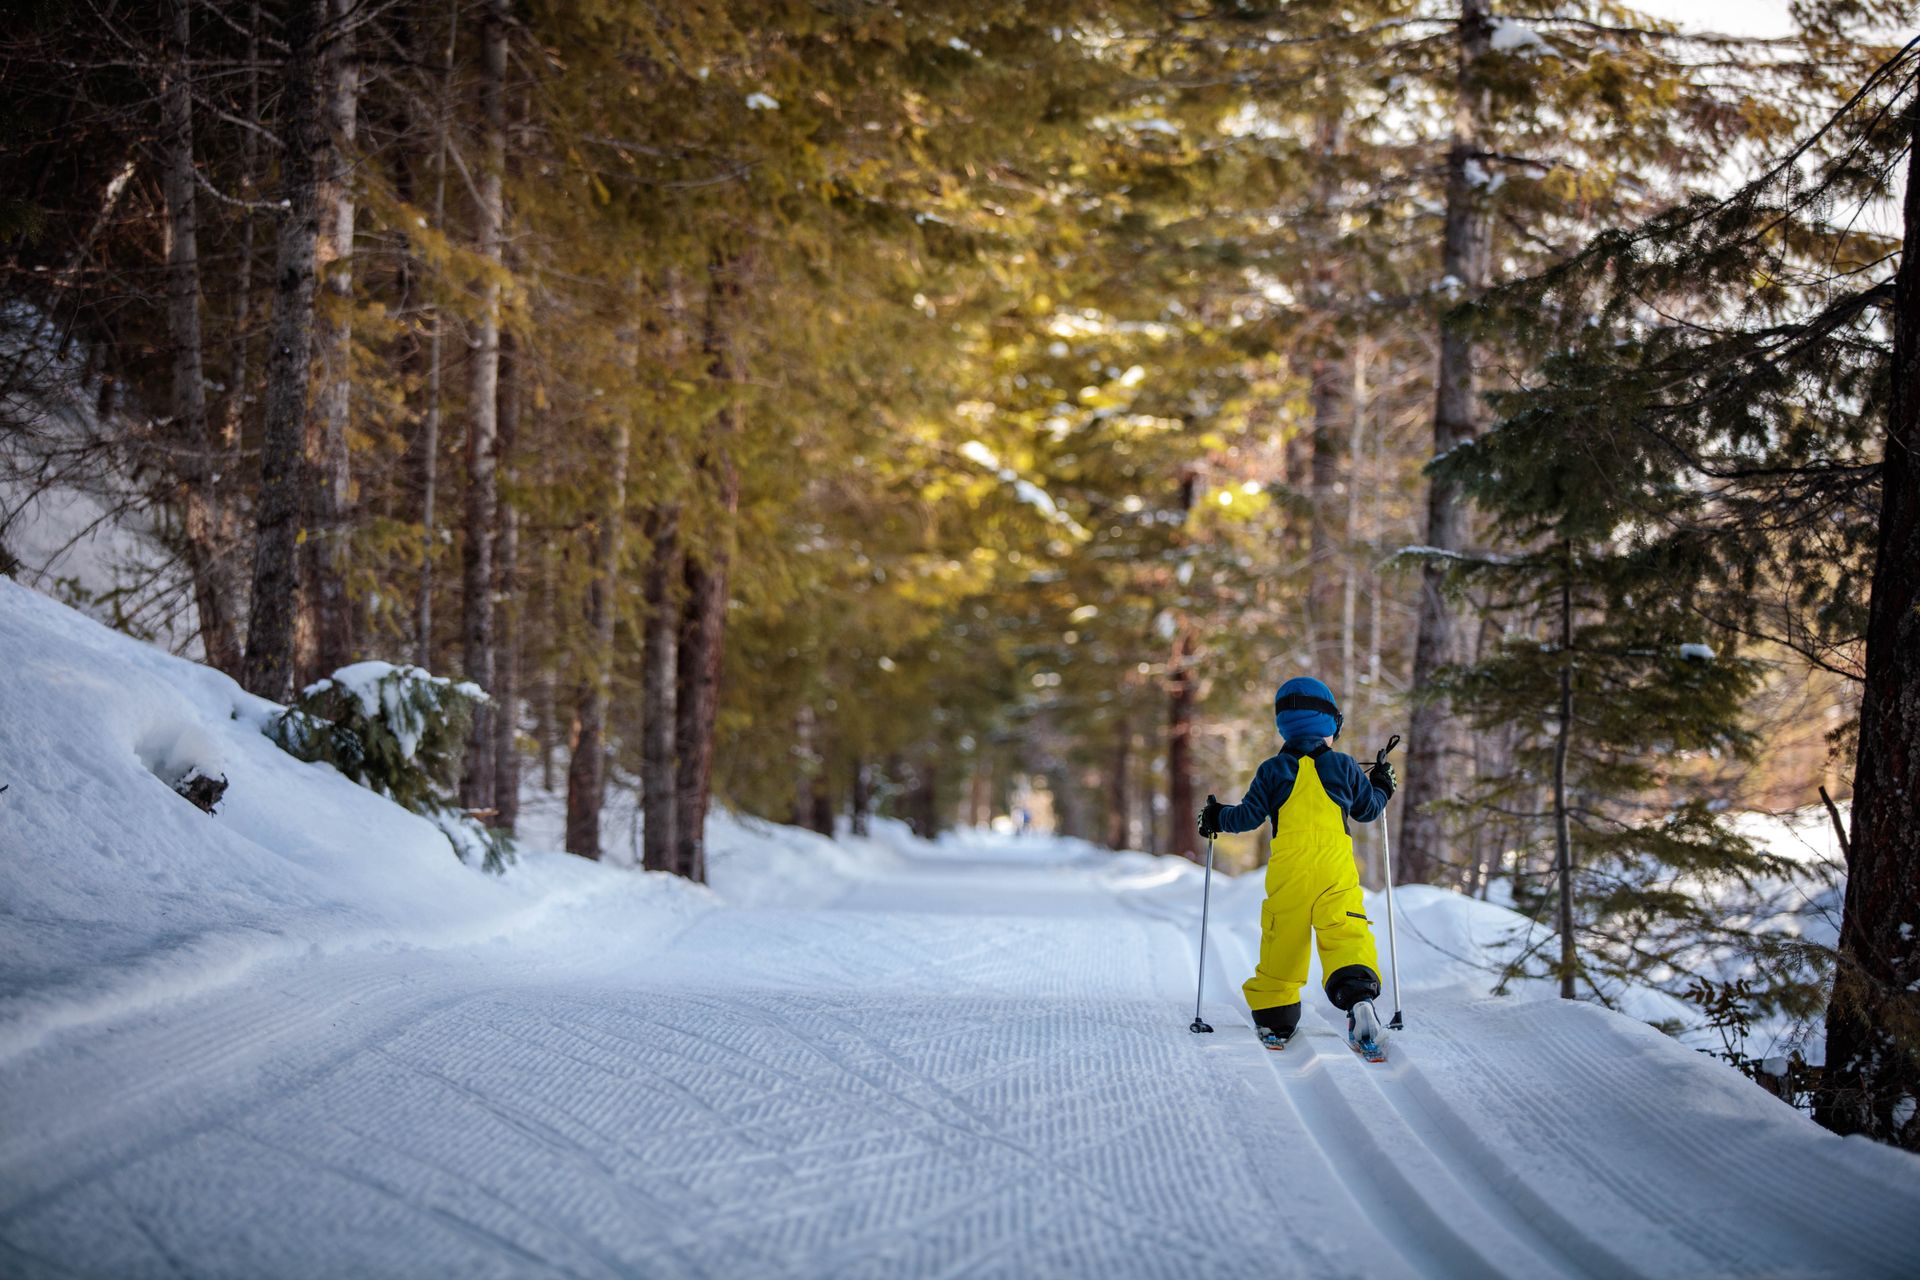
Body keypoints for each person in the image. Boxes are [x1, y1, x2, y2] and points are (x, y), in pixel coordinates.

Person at [1197, 676, 1397, 1052]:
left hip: (1289, 871)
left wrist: (1215, 815)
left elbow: (1246, 818)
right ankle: (1358, 1000)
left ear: (1283, 727)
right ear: (1330, 725)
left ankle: (1277, 1018)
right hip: (1335, 870)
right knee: (1344, 933)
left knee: (1283, 939)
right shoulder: (1344, 766)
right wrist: (1384, 783)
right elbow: (1368, 809)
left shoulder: (1273, 770)